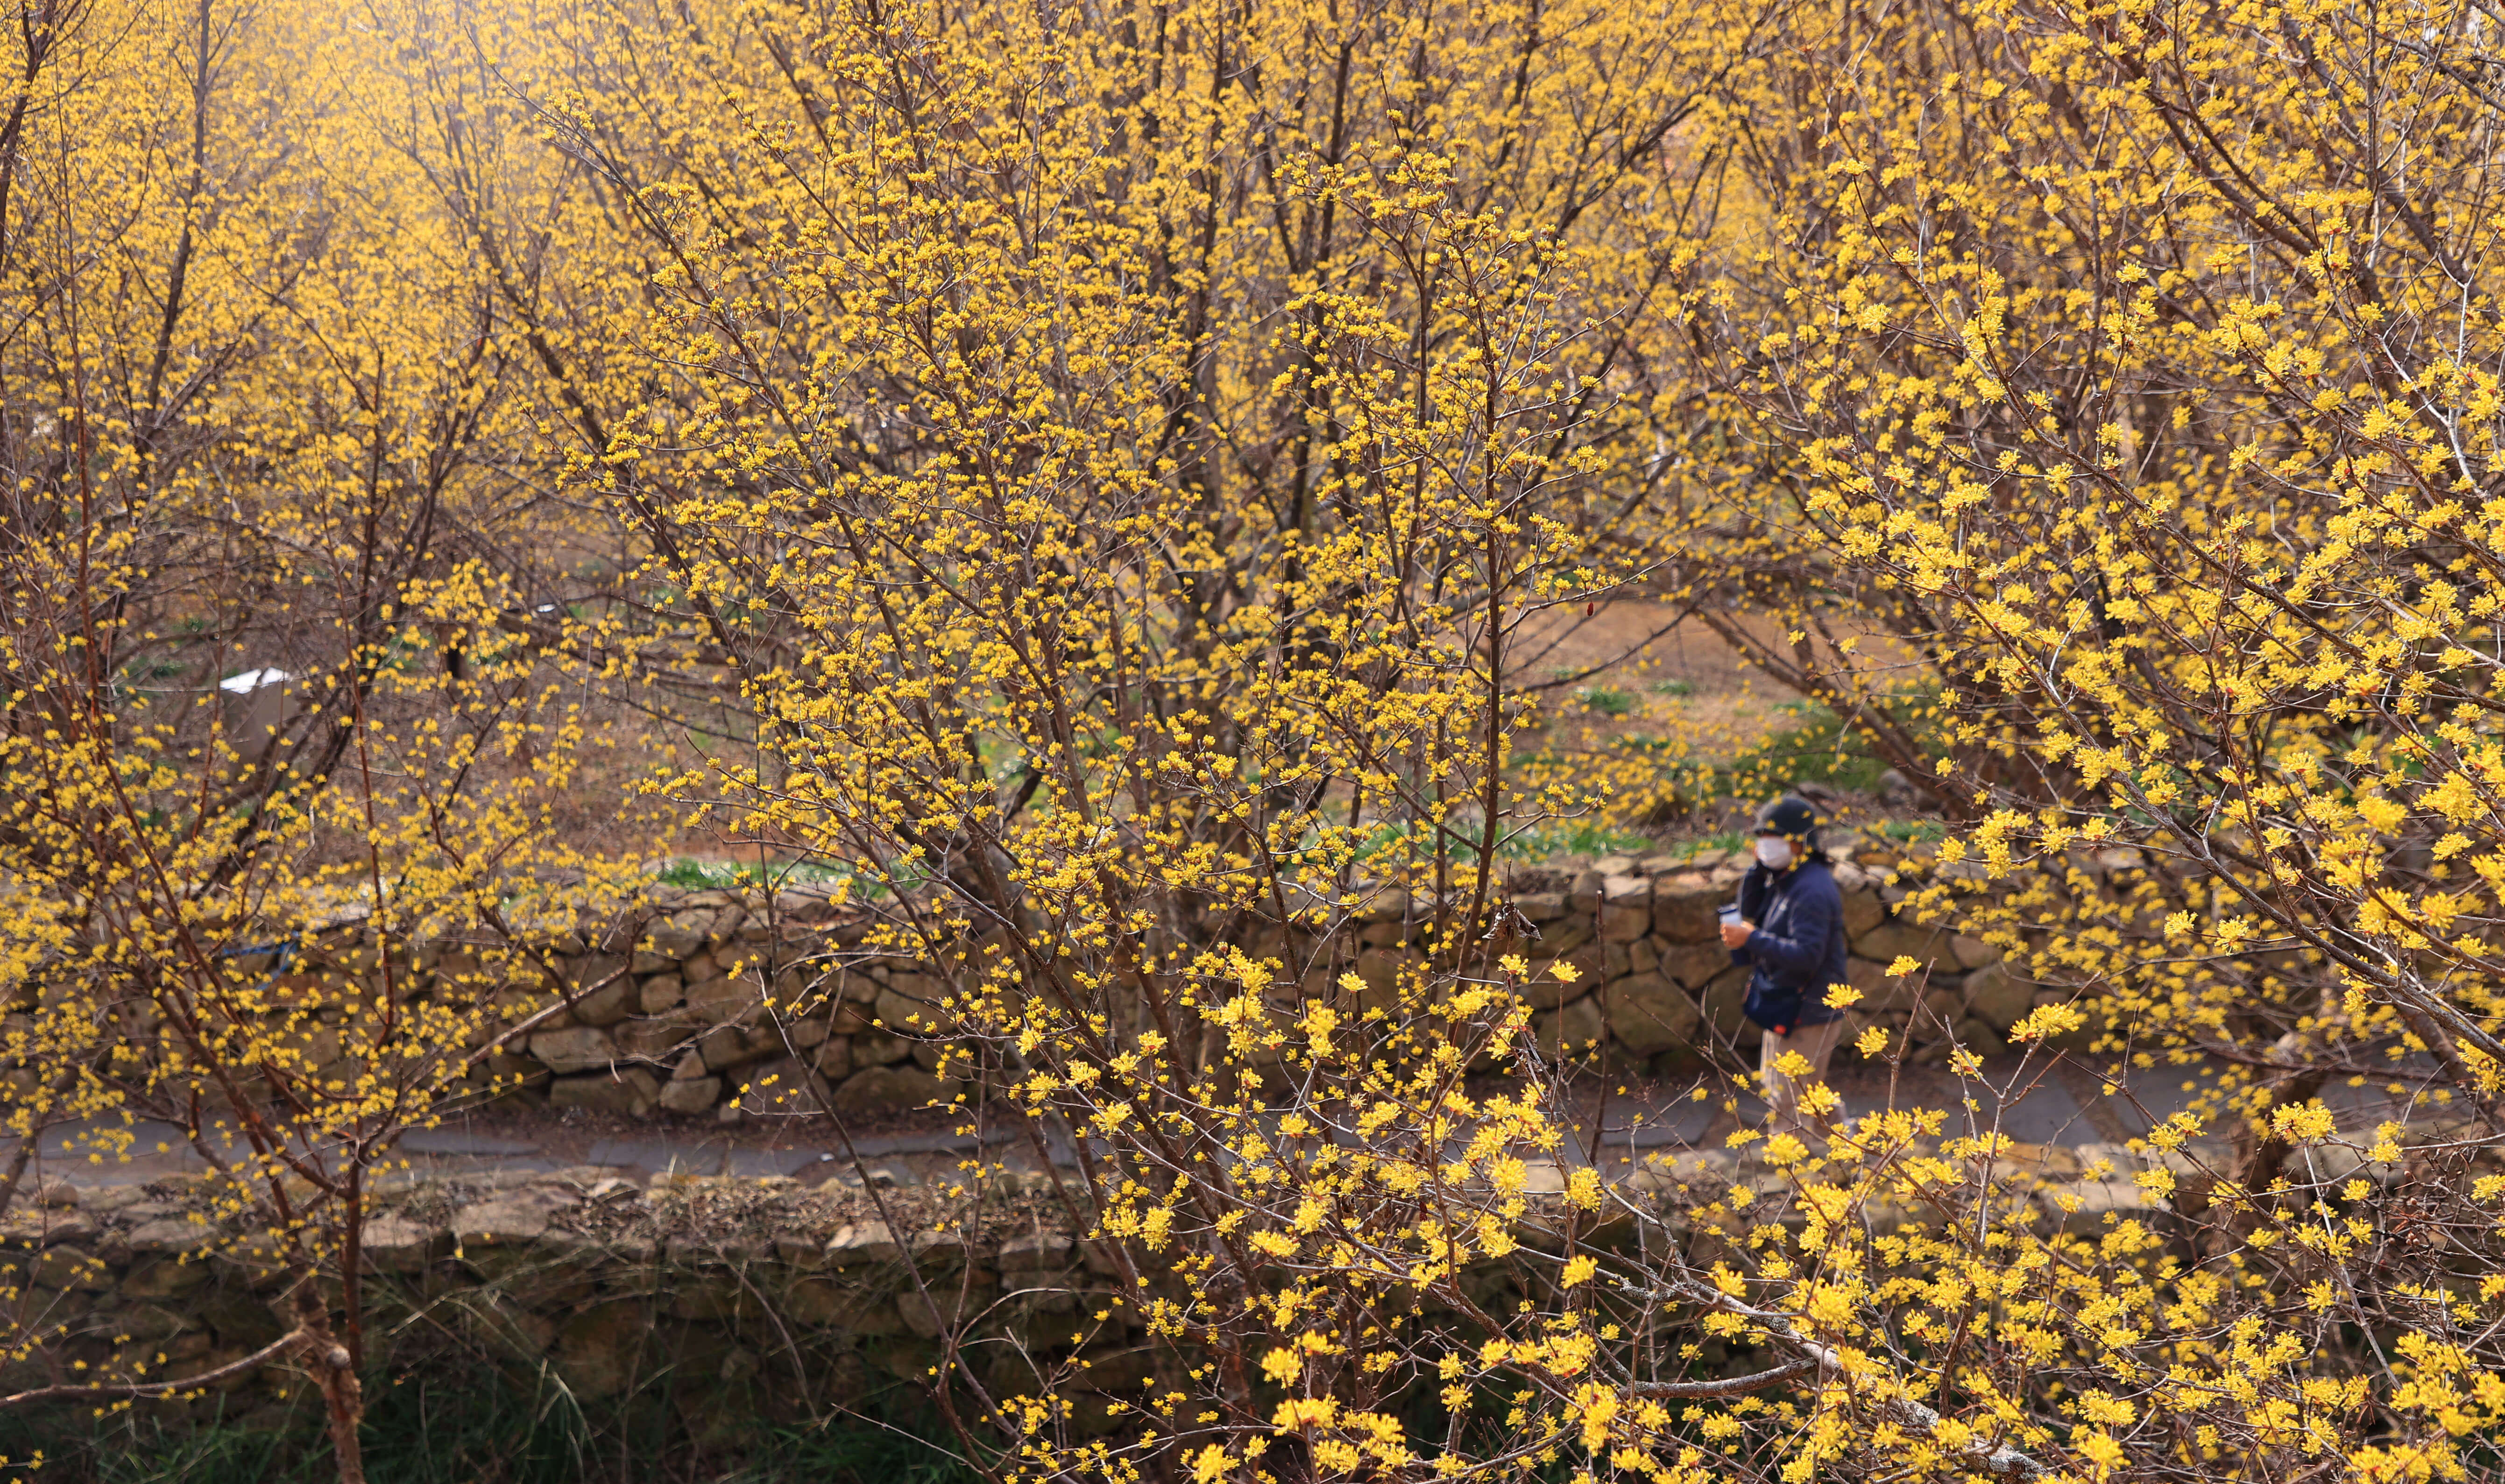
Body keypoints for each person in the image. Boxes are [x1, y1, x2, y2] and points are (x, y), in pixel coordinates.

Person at [1717, 794, 1848, 1137]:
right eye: (1761, 839)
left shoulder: (1812, 890)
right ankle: (1854, 1150)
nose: (1764, 846)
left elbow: (1807, 956)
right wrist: (1756, 875)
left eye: (1772, 840)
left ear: (1800, 843)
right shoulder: (1789, 878)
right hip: (1789, 1005)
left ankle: (1794, 1179)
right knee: (1805, 1094)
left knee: (1788, 1106)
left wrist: (1751, 939)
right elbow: (1758, 916)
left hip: (1807, 1010)